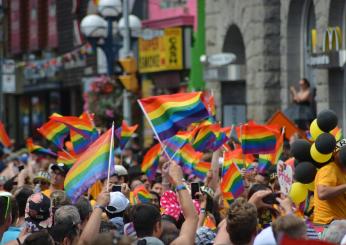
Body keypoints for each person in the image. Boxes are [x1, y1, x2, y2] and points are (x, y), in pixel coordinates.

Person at [313, 147, 346, 224]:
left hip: (338, 224)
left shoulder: (341, 172)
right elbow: (322, 193)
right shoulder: (329, 169)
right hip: (327, 223)